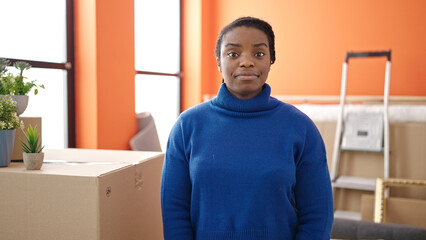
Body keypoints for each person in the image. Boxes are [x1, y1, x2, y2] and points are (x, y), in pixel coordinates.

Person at [161, 16, 334, 240]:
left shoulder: (301, 128)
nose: (246, 62)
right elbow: (174, 211)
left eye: (259, 53)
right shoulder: (187, 127)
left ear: (271, 59)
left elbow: (318, 216)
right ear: (218, 61)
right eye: (233, 54)